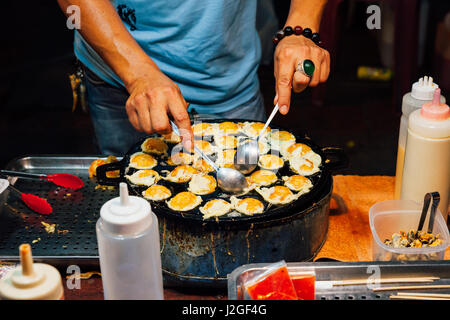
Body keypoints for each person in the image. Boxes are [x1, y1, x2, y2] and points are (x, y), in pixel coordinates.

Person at [58, 0, 330, 155]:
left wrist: (301, 26)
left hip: (229, 77)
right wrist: (138, 74)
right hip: (119, 74)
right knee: (130, 209)